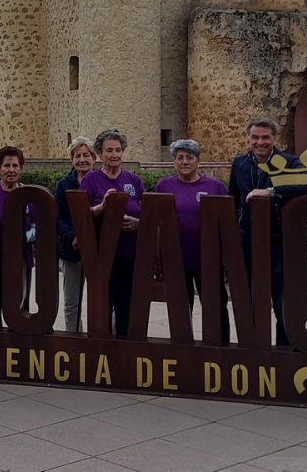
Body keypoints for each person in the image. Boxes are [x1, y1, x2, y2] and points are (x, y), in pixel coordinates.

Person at [227, 116, 304, 347]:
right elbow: (234, 198)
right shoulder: (239, 163)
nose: (260, 142)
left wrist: (269, 191)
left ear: (274, 139)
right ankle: (252, 349)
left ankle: (284, 351)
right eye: (255, 137)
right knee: (249, 300)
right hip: (247, 241)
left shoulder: (289, 162)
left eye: (265, 137)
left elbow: (303, 184)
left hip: (278, 242)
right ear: (248, 138)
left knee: (282, 303)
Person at [155, 139, 230, 343]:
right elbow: (156, 222)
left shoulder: (214, 186)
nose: (185, 162)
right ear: (174, 162)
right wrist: (158, 257)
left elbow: (226, 223)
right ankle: (182, 348)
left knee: (215, 307)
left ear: (198, 161)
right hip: (177, 259)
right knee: (180, 308)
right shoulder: (164, 185)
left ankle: (220, 347)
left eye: (189, 157)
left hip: (207, 259)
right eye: (180, 158)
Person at [78, 129, 143, 338]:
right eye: (108, 151)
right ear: (100, 153)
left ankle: (124, 353)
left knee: (127, 306)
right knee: (102, 306)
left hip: (128, 254)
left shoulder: (133, 180)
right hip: (101, 255)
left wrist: (137, 223)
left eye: (117, 150)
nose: (114, 155)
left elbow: (147, 212)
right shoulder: (91, 180)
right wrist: (102, 207)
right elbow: (80, 216)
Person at [0, 146, 36, 328]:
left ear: (21, 168)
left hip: (19, 258)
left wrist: (22, 237)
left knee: (18, 308)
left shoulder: (28, 195)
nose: (11, 170)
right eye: (6, 166)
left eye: (15, 166)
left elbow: (36, 227)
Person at [55, 137, 96, 333]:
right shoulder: (64, 184)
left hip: (98, 250)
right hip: (72, 250)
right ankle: (74, 340)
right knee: (72, 302)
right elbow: (59, 217)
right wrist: (73, 236)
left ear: (94, 158)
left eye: (86, 155)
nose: (82, 160)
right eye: (77, 156)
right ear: (72, 159)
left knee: (103, 300)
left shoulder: (101, 182)